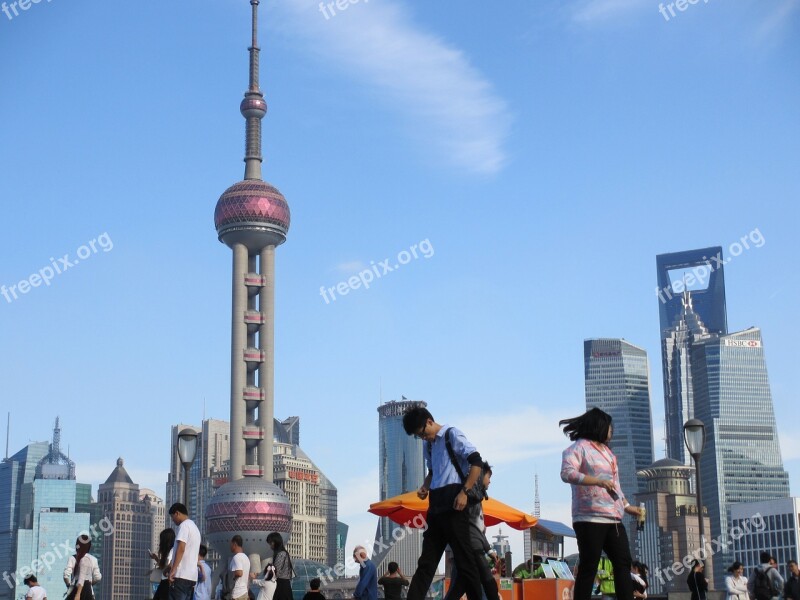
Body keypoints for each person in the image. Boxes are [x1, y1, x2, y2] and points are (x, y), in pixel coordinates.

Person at [402, 406, 485, 600]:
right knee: (426, 563)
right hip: (436, 503)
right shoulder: (428, 446)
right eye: (418, 436)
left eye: (422, 433)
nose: (423, 438)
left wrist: (464, 492)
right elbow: (432, 472)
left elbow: (476, 462)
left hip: (455, 501)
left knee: (465, 562)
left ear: (429, 422)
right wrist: (425, 486)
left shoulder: (451, 434)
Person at [560, 408, 641, 600]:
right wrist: (596, 481)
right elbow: (567, 473)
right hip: (589, 516)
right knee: (590, 565)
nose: (611, 430)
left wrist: (628, 507)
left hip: (613, 517)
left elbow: (616, 486)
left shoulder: (609, 454)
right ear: (598, 426)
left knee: (623, 562)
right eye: (608, 426)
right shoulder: (578, 448)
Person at [445, 462, 499, 600]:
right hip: (473, 547)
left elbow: (478, 528)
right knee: (489, 584)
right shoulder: (470, 498)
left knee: (461, 585)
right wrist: (488, 550)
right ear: (480, 477)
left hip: (471, 546)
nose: (490, 481)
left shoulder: (477, 498)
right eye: (488, 477)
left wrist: (489, 549)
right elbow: (474, 529)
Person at [168, 502, 202, 600]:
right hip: (191, 577)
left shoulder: (184, 526)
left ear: (177, 513)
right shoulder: (195, 528)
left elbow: (181, 548)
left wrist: (173, 570)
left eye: (172, 517)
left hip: (180, 575)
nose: (173, 520)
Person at [64, 535, 101, 600]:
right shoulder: (94, 559)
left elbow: (66, 576)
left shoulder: (72, 558)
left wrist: (69, 586)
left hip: (74, 591)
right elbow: (98, 577)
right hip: (89, 592)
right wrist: (90, 584)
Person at [150, 528, 177, 600]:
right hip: (164, 581)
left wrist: (157, 560)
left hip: (167, 582)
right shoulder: (170, 551)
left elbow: (167, 568)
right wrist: (156, 558)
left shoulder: (172, 551)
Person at [267, 532, 294, 600]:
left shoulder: (281, 554)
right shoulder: (283, 553)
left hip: (281, 586)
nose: (270, 546)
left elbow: (276, 571)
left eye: (271, 543)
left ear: (276, 542)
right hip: (283, 585)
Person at [230, 535, 251, 600]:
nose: (230, 547)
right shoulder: (246, 558)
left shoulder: (237, 557)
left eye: (231, 545)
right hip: (244, 592)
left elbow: (239, 573)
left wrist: (230, 576)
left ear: (235, 544)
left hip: (237, 594)